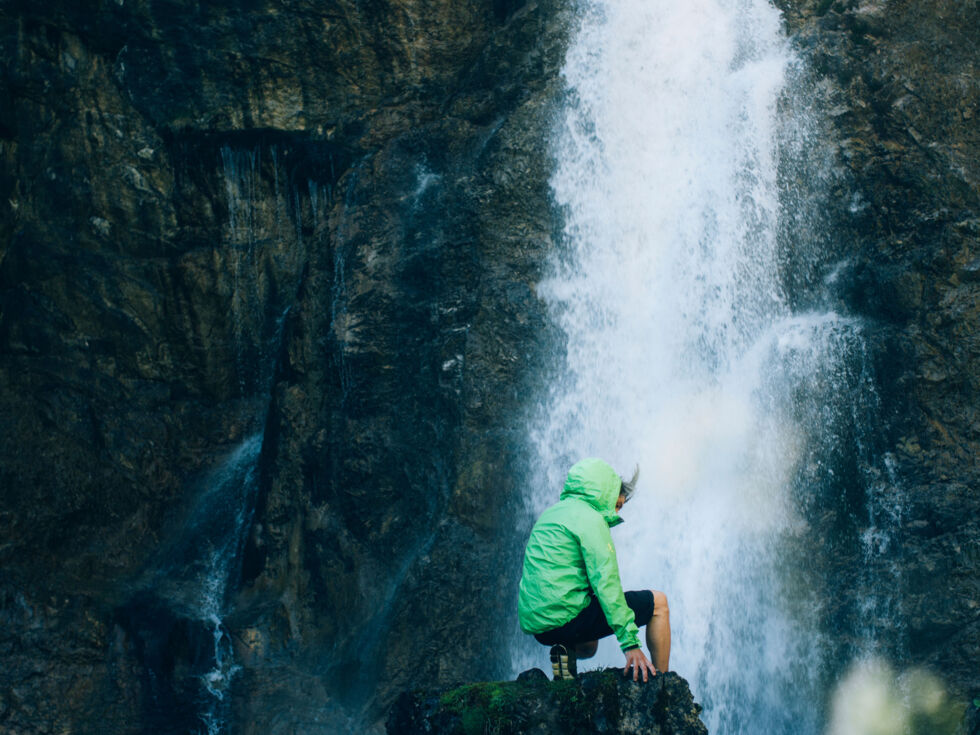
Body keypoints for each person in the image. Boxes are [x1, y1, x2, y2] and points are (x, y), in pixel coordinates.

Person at [517, 457, 670, 682]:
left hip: (541, 628)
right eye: (617, 505)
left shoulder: (551, 514)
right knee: (659, 603)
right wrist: (630, 644)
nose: (616, 514)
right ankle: (665, 685)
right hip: (567, 620)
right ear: (605, 494)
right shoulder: (591, 520)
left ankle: (565, 656)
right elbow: (607, 583)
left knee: (590, 646)